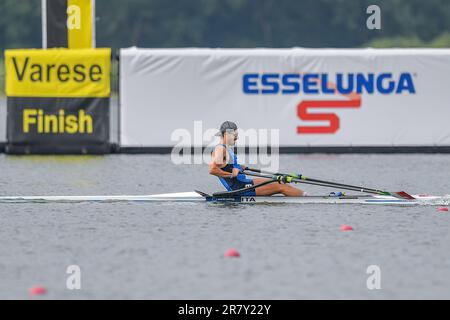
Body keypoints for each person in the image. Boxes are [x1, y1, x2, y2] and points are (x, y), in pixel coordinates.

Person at [208, 121, 305, 196]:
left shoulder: (225, 148)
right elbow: (212, 169)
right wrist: (231, 174)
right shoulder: (220, 149)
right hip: (239, 188)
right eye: (234, 134)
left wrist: (240, 167)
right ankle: (307, 199)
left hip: (242, 183)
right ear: (226, 134)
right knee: (280, 186)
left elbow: (226, 166)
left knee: (278, 181)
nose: (236, 138)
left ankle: (303, 196)